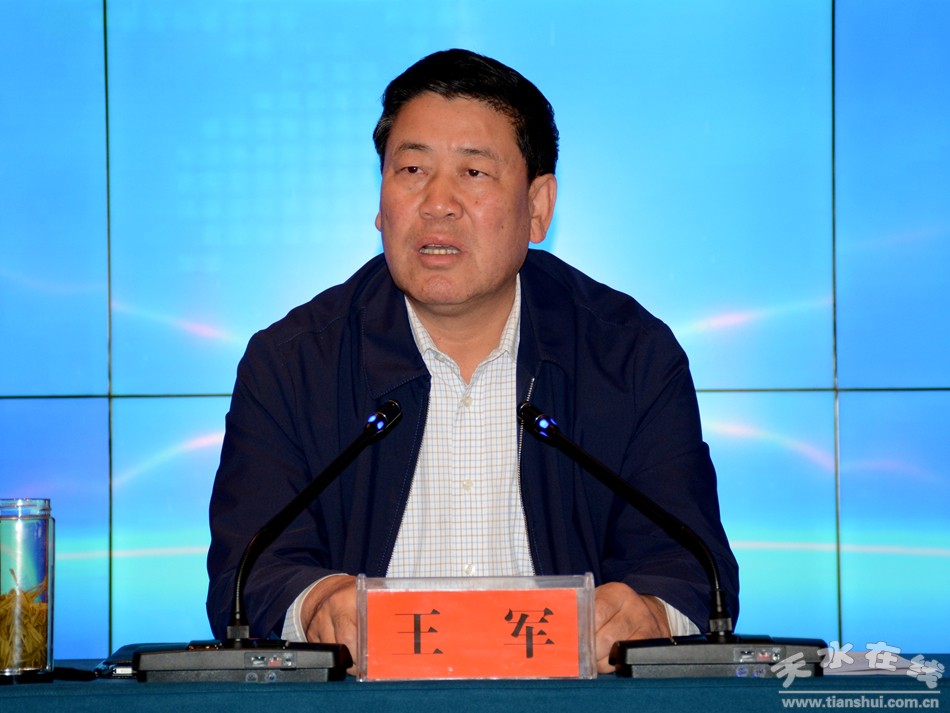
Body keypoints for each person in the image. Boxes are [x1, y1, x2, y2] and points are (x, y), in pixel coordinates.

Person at [206, 48, 739, 674]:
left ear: (538, 207)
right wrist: (317, 602)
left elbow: (689, 568)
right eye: (412, 169)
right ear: (381, 201)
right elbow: (249, 571)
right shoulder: (291, 364)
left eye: (474, 172)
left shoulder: (630, 358)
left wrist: (646, 614)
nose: (438, 202)